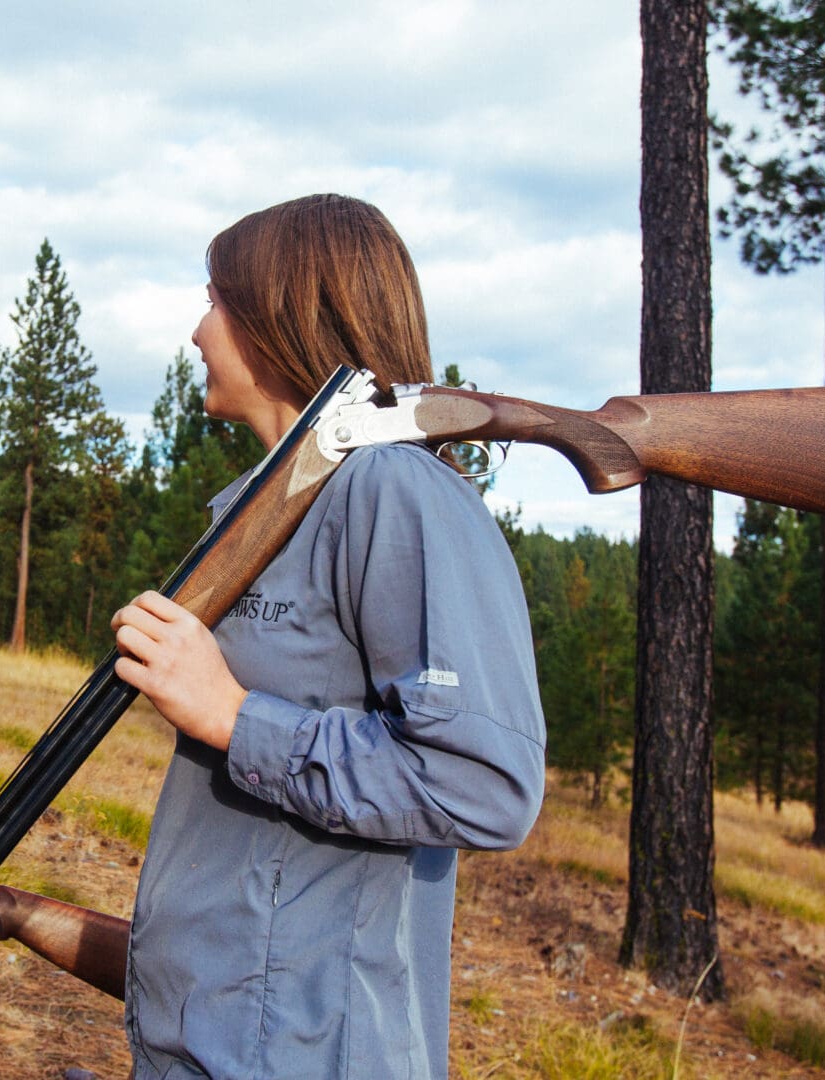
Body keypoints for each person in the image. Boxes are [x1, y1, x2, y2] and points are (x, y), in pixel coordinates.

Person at [109, 194, 547, 1079]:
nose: (198, 330)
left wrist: (235, 717)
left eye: (216, 300)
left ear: (281, 317)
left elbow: (486, 783)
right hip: (210, 1037)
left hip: (296, 1052)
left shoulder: (392, 491)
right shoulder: (261, 511)